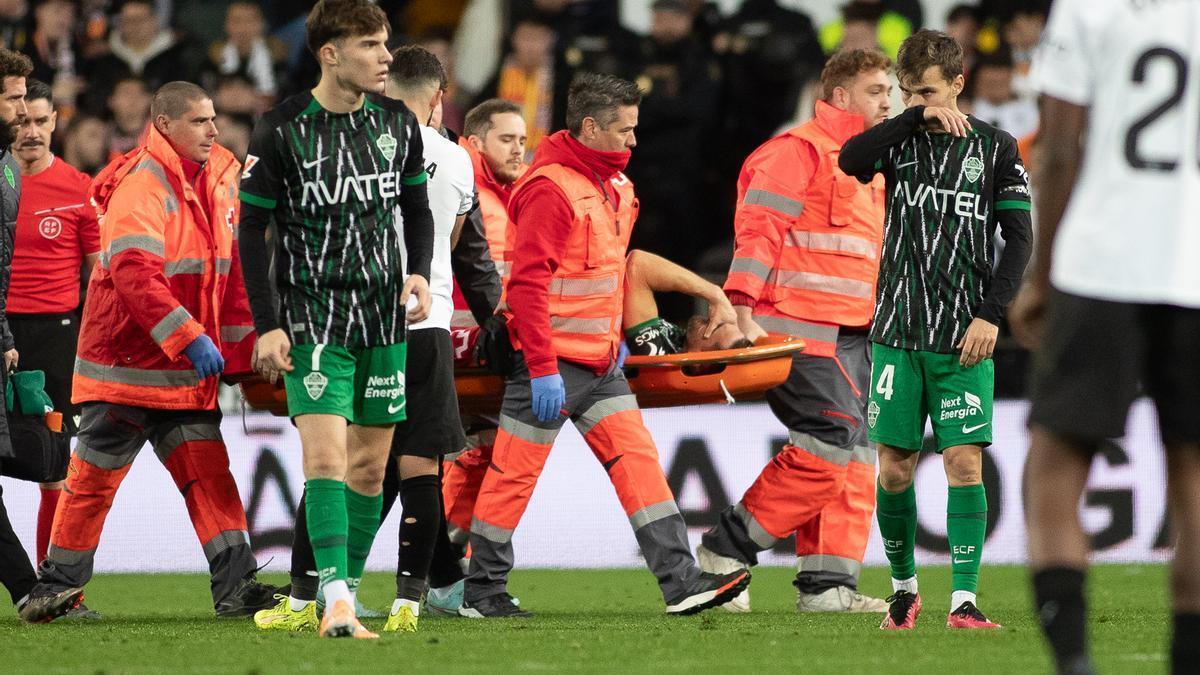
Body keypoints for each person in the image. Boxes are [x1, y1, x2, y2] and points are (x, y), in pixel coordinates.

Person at [462, 72, 750, 618]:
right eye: (624, 130)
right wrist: (542, 367)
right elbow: (527, 286)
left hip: (599, 362)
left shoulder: (613, 187)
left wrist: (613, 337)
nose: (633, 142)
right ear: (590, 127)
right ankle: (482, 591)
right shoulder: (551, 188)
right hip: (550, 363)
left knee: (638, 464)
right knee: (512, 477)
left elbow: (612, 272)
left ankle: (681, 582)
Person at [18, 81, 279, 624]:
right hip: (127, 367)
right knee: (92, 482)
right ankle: (54, 590)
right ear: (164, 125)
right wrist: (189, 336)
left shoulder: (219, 180)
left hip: (181, 372)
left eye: (213, 120)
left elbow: (229, 279)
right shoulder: (144, 183)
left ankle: (236, 588)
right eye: (199, 121)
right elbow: (136, 274)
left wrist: (240, 352)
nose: (213, 129)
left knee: (210, 479)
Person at [1010, 2, 1200, 672]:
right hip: (1193, 264)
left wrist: (1042, 275)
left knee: (1056, 460)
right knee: (1194, 474)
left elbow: (1059, 148)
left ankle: (1074, 660)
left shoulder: (1090, 6)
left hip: (1104, 259)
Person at [237, 0, 435, 639]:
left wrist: (420, 270)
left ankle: (338, 598)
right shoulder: (281, 128)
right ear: (330, 53)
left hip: (384, 318)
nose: (386, 57)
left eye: (386, 45)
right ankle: (339, 600)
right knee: (325, 460)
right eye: (372, 46)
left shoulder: (396, 122)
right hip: (313, 316)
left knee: (371, 469)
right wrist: (267, 323)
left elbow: (417, 209)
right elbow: (251, 230)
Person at [838, 29, 1032, 630]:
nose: (915, 101)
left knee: (964, 465)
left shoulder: (997, 148)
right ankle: (903, 591)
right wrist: (912, 119)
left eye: (927, 91)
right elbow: (850, 160)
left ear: (958, 83)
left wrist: (990, 315)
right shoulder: (898, 143)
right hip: (896, 331)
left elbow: (1020, 240)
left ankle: (964, 602)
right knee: (894, 468)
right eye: (906, 92)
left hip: (964, 337)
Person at [695, 49, 892, 615]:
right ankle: (726, 551)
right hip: (795, 329)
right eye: (876, 90)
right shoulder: (796, 151)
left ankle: (828, 587)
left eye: (889, 91)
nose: (887, 102)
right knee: (833, 435)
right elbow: (757, 232)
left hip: (855, 331)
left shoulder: (870, 163)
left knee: (856, 452)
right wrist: (740, 309)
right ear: (837, 97)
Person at [8, 78, 99, 569]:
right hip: (2, 332)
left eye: (41, 121)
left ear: (56, 122)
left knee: (56, 467)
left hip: (55, 340)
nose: (32, 132)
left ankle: (58, 586)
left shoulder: (78, 190)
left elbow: (101, 274)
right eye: (22, 121)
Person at [0, 46, 34, 619]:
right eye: (12, 98)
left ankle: (29, 589)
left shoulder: (7, 166)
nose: (23, 110)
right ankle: (30, 590)